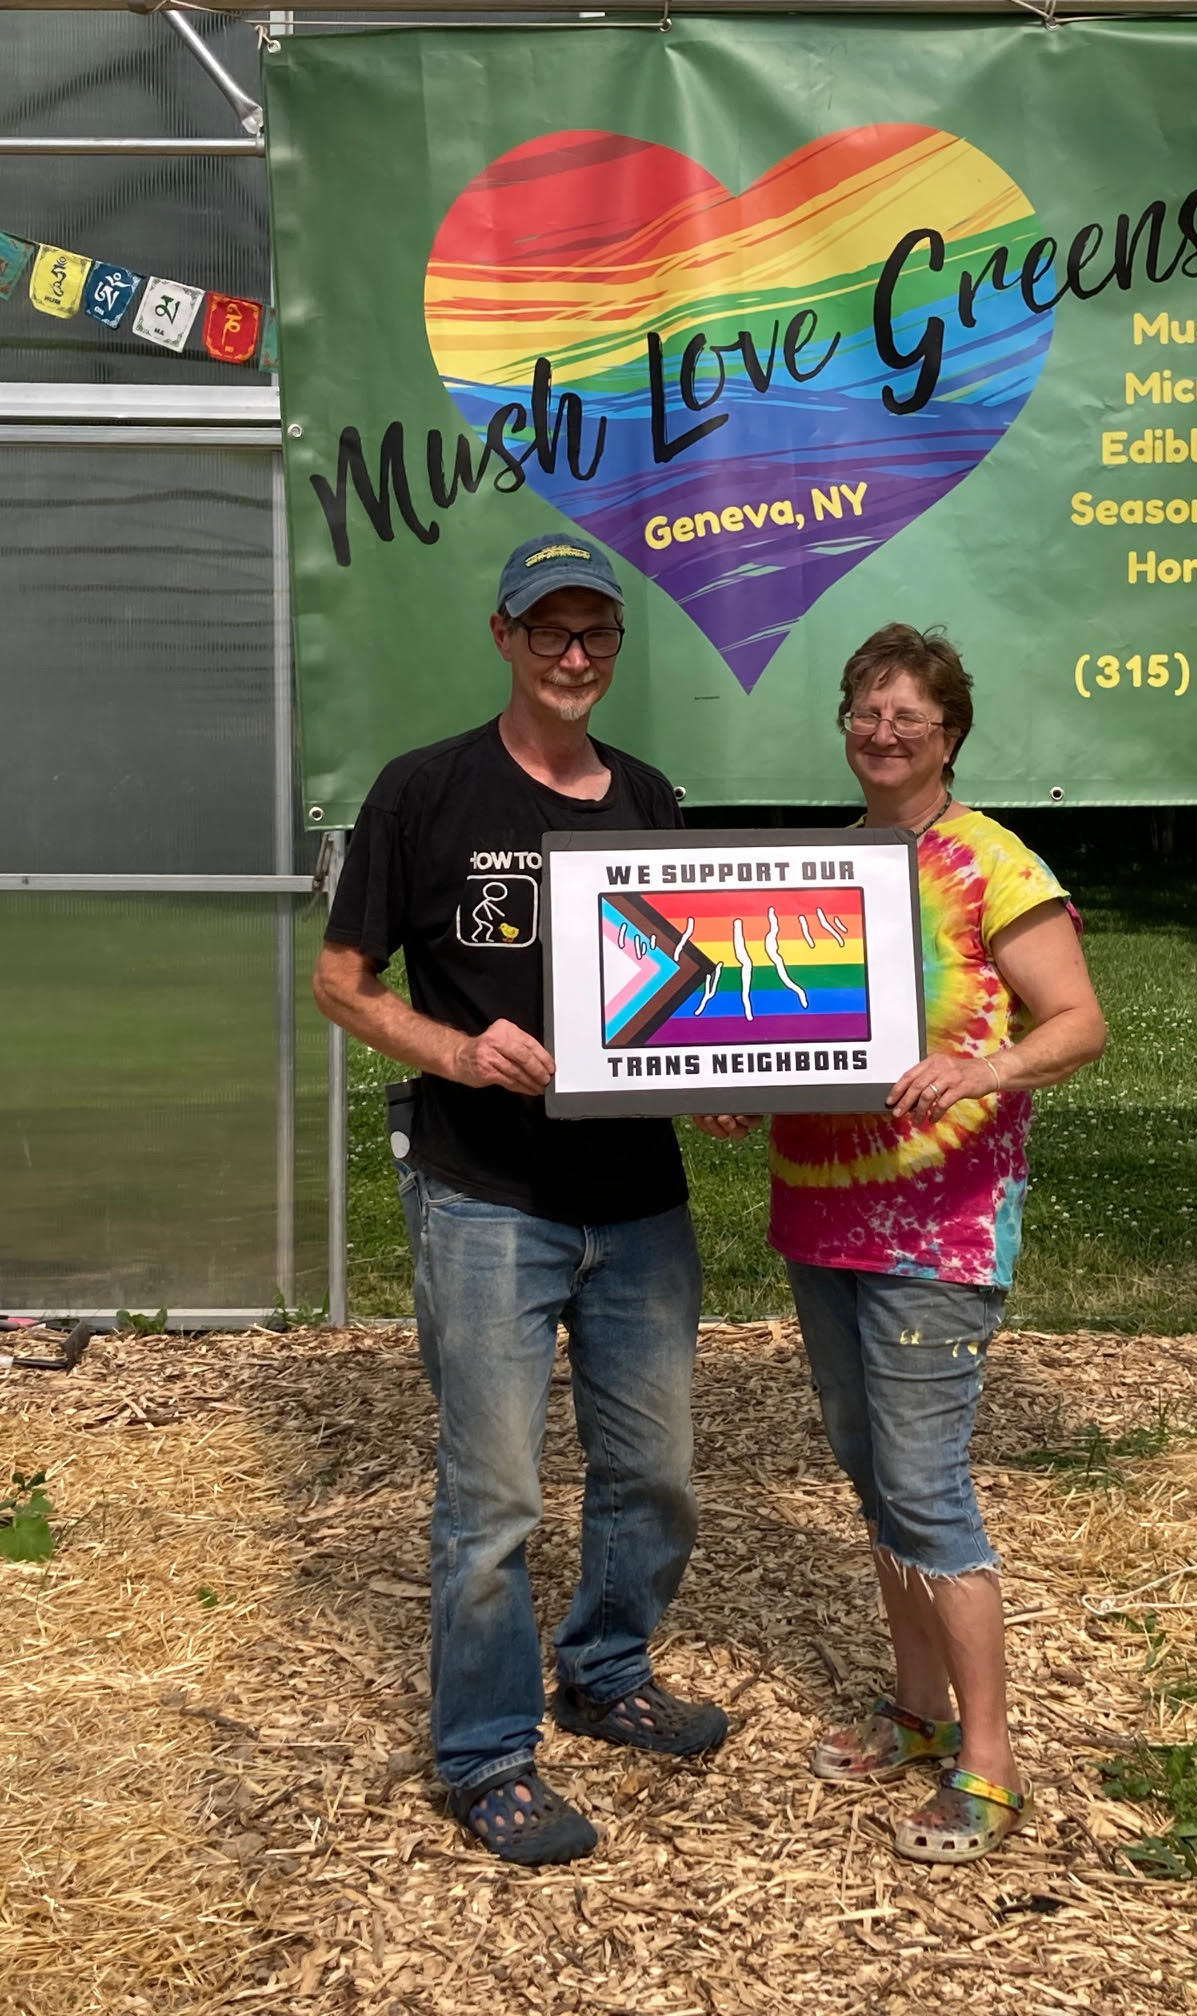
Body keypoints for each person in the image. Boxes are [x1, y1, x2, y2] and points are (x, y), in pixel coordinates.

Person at [312, 533, 726, 1868]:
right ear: (502, 637)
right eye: (547, 631)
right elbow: (342, 981)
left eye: (595, 634)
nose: (573, 656)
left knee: (653, 1475)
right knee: (493, 1503)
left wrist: (720, 1074)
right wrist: (458, 1052)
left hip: (640, 1203)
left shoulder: (653, 798)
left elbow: (686, 985)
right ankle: (485, 1754)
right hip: (486, 1201)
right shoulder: (424, 794)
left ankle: (606, 1671)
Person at [701, 622, 1105, 1865]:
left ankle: (990, 1760)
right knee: (877, 1477)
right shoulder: (827, 867)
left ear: (951, 735)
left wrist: (982, 1065)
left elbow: (1079, 1021)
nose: (884, 734)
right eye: (866, 714)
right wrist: (737, 1079)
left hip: (940, 1226)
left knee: (925, 1488)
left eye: (909, 719)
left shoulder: (994, 864)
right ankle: (919, 1712)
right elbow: (800, 1033)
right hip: (819, 1213)